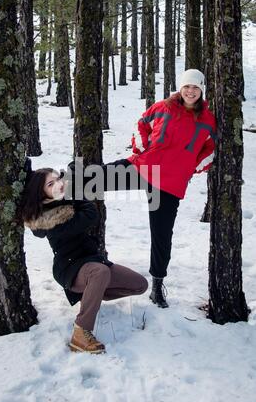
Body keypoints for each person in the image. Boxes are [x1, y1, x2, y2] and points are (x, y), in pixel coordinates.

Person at [68, 69, 217, 308]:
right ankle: (55, 187)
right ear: (181, 87)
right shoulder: (162, 107)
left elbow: (209, 152)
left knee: (161, 235)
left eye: (196, 88)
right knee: (97, 178)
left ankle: (157, 286)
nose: (190, 91)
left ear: (202, 91)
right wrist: (143, 149)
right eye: (187, 86)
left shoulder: (208, 120)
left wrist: (189, 168)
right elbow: (142, 125)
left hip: (170, 184)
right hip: (146, 167)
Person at [20, 167, 148, 354]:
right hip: (70, 268)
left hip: (93, 262)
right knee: (100, 273)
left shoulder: (66, 201)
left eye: (58, 179)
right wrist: (74, 192)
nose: (58, 184)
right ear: (42, 193)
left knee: (140, 285)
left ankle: (92, 294)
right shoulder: (49, 219)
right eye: (50, 184)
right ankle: (81, 333)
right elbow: (90, 215)